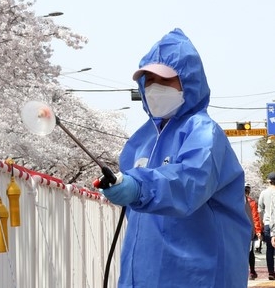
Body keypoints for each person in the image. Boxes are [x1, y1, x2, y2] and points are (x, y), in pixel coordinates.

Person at [100, 28, 251, 287]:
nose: (154, 88)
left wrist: (139, 186)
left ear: (188, 81)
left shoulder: (203, 132)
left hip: (197, 274)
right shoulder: (140, 140)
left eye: (165, 80)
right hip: (143, 273)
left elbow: (189, 181)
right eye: (148, 79)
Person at [259, 172, 275, 280]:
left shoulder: (264, 193)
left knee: (269, 249)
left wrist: (261, 223)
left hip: (268, 224)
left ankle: (271, 272)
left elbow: (260, 209)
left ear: (269, 181)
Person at [246, 184, 263, 280]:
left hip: (238, 230)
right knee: (250, 252)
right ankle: (252, 271)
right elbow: (255, 217)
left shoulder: (236, 201)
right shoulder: (251, 202)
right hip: (249, 231)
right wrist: (258, 230)